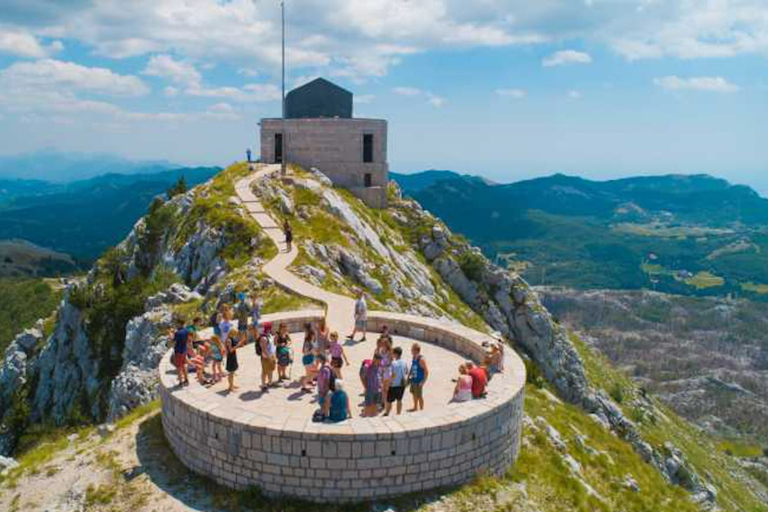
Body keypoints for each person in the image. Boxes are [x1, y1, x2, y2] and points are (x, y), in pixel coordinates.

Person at [385, 346, 408, 416]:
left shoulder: (393, 363)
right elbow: (406, 371)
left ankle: (387, 413)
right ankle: (398, 414)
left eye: (393, 353)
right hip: (402, 384)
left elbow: (391, 375)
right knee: (399, 400)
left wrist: (387, 384)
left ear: (396, 354)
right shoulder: (404, 362)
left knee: (389, 401)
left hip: (394, 385)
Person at [408, 343, 429, 412]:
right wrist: (409, 375)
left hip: (419, 381)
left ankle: (422, 409)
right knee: (414, 394)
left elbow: (426, 371)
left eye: (412, 350)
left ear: (416, 350)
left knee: (419, 396)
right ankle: (415, 407)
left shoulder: (421, 359)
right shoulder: (414, 357)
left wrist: (423, 381)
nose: (411, 351)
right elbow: (412, 366)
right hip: (413, 379)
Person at [170, 318, 191, 386]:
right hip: (184, 350)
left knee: (179, 367)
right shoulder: (186, 330)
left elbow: (172, 340)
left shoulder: (178, 333)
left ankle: (180, 382)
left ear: (179, 323)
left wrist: (171, 333)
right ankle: (186, 380)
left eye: (177, 323)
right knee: (184, 364)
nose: (176, 325)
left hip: (178, 351)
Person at [300, 323, 319, 392]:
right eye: (314, 335)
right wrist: (312, 351)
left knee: (309, 374)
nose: (315, 337)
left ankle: (306, 385)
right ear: (311, 335)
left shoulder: (308, 341)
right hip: (308, 360)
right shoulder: (308, 343)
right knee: (315, 372)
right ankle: (304, 384)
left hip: (308, 359)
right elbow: (305, 352)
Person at [259, 322, 277, 391]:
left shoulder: (270, 335)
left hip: (271, 355)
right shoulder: (264, 338)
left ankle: (270, 382)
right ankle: (263, 385)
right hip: (266, 357)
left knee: (270, 370)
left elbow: (273, 345)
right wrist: (269, 357)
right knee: (265, 371)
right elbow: (264, 349)